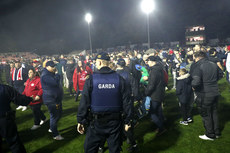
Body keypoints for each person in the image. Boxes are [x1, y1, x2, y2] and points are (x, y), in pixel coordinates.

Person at [77, 52, 132, 153]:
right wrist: (128, 120)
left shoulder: (91, 80)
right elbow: (127, 102)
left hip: (96, 123)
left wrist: (81, 120)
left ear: (100, 63)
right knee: (115, 150)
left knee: (89, 149)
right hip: (115, 122)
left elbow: (84, 101)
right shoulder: (119, 79)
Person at [191, 51, 220, 141]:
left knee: (206, 114)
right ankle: (216, 132)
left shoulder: (198, 65)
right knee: (213, 112)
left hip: (205, 93)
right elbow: (220, 75)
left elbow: (196, 82)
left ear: (196, 57)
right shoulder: (213, 64)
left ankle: (210, 134)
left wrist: (193, 86)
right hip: (215, 91)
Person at [0, 84, 33, 153]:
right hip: (4, 120)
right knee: (14, 142)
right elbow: (20, 100)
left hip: (4, 118)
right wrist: (30, 98)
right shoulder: (4, 88)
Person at [40, 61, 64, 140]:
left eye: (54, 66)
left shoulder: (49, 73)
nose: (54, 68)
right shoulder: (45, 75)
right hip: (51, 100)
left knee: (59, 114)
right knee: (54, 116)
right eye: (52, 66)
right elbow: (55, 83)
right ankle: (55, 134)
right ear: (47, 67)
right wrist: (57, 74)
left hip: (55, 98)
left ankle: (52, 128)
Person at [143, 56, 166, 136]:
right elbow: (156, 80)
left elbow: (152, 85)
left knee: (152, 113)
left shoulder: (154, 70)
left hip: (155, 94)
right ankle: (161, 126)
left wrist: (146, 93)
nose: (147, 63)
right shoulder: (159, 68)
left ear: (152, 61)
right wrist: (149, 78)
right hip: (160, 92)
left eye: (148, 61)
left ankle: (161, 127)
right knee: (159, 111)